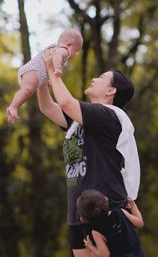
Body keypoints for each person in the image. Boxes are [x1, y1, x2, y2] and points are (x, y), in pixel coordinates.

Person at [37, 49, 141, 257]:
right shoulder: (79, 122)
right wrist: (41, 75)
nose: (94, 79)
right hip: (78, 213)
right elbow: (47, 107)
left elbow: (66, 102)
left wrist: (52, 70)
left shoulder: (110, 116)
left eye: (101, 78)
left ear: (111, 91)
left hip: (104, 211)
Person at [6, 28, 83, 124]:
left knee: (26, 91)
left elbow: (50, 66)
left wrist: (50, 79)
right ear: (69, 45)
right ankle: (14, 106)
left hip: (33, 72)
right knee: (27, 90)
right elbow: (57, 56)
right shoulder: (64, 49)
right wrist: (58, 69)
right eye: (76, 50)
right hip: (34, 70)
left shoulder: (57, 47)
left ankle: (14, 106)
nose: (75, 54)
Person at [77, 189, 146, 257]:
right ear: (105, 199)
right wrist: (133, 206)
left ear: (85, 218)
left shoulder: (96, 232)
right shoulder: (120, 212)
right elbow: (140, 223)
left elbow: (104, 255)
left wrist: (90, 247)